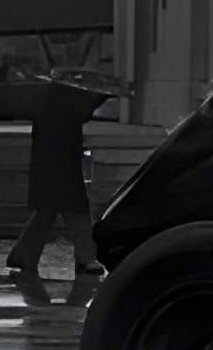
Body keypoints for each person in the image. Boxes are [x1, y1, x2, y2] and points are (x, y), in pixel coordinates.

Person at [7, 67, 128, 282]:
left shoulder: (51, 97)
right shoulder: (63, 99)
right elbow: (79, 115)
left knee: (48, 212)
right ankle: (85, 258)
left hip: (50, 164)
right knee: (75, 212)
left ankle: (24, 255)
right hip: (61, 165)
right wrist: (101, 97)